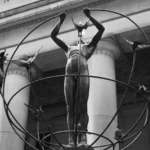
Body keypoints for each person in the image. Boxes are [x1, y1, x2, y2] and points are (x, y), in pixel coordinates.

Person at [51, 8, 105, 146]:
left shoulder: (89, 47)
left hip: (82, 71)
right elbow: (53, 36)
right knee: (70, 107)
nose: (80, 35)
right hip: (69, 73)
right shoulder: (68, 48)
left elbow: (101, 29)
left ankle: (83, 138)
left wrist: (90, 17)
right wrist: (61, 20)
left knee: (82, 105)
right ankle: (71, 139)